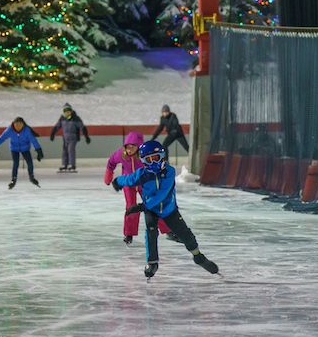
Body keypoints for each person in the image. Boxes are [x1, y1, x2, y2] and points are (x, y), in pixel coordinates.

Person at [112, 140, 218, 279]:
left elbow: (162, 194)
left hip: (169, 209)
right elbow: (130, 179)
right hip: (151, 211)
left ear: (162, 156)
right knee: (150, 232)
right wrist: (118, 181)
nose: (153, 162)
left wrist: (142, 206)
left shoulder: (169, 172)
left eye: (155, 158)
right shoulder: (142, 174)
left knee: (185, 234)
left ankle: (197, 255)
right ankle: (152, 263)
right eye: (148, 160)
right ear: (143, 161)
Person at [104, 131, 170, 244]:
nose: (129, 150)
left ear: (138, 147)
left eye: (132, 147)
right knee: (131, 207)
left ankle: (167, 230)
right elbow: (111, 163)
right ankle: (129, 234)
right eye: (127, 147)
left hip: (143, 183)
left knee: (153, 204)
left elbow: (155, 165)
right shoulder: (121, 154)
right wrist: (109, 175)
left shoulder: (144, 155)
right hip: (128, 183)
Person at [0, 117, 43, 189]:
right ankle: (13, 179)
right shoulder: (9, 130)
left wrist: (39, 151)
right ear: (13, 124)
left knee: (29, 162)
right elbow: (2, 138)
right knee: (16, 163)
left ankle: (31, 177)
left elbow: (34, 140)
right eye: (16, 125)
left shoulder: (26, 130)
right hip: (14, 148)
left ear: (23, 125)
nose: (18, 127)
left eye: (20, 125)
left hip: (25, 148)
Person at [48, 104, 90, 173]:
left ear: (71, 111)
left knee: (71, 150)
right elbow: (57, 126)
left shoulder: (76, 118)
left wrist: (86, 136)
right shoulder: (62, 118)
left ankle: (72, 165)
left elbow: (82, 127)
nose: (67, 112)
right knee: (64, 151)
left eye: (68, 111)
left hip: (73, 137)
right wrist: (52, 134)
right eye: (65, 111)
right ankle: (64, 164)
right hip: (65, 138)